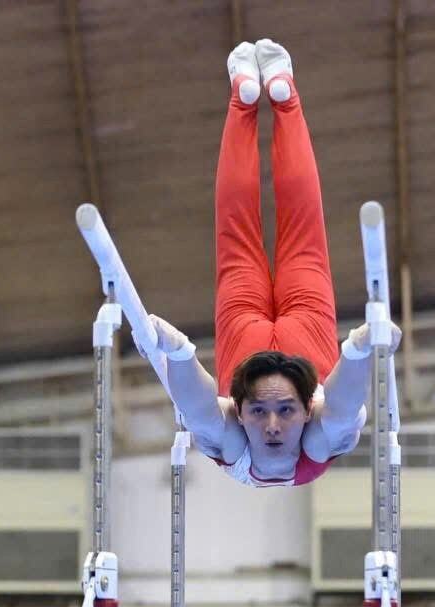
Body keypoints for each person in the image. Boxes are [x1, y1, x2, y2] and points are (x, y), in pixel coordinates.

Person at [144, 39, 401, 487]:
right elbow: (341, 411)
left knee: (247, 231)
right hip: (310, 352)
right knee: (288, 229)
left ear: (238, 409)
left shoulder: (232, 436)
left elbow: (199, 410)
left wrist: (180, 350)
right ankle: (273, 96)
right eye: (277, 411)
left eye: (267, 412)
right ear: (308, 408)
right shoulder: (317, 435)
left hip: (246, 353)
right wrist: (360, 349)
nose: (273, 426)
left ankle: (259, 95)